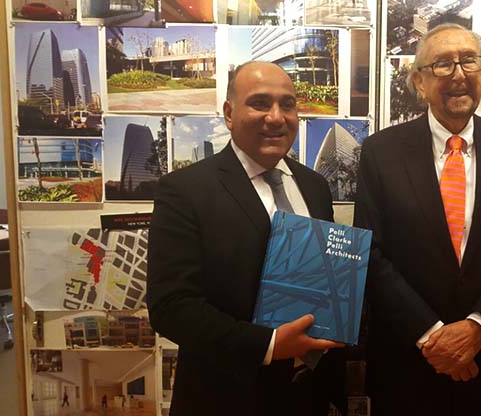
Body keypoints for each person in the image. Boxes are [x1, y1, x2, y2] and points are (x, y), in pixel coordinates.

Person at [354, 23, 481, 415]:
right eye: (443, 64)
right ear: (419, 81)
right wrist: (434, 337)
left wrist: (477, 328)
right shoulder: (381, 152)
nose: (459, 74)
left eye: (469, 61)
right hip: (408, 368)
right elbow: (371, 254)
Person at [148, 61, 345, 415]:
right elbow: (171, 308)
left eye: (287, 105)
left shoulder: (314, 186)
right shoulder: (185, 190)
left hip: (308, 397)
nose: (276, 117)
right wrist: (268, 344)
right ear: (229, 113)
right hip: (225, 399)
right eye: (260, 103)